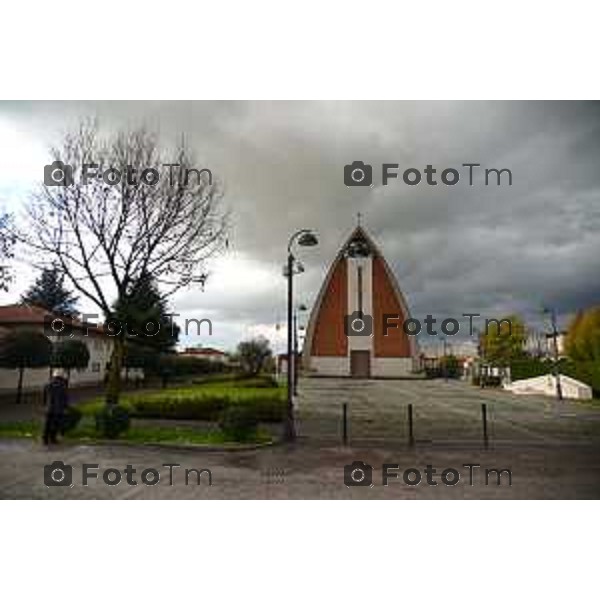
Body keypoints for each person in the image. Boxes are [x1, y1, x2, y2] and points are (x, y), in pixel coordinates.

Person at [43, 370, 69, 445]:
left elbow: (44, 397)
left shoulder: (47, 385)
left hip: (49, 408)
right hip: (58, 409)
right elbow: (65, 398)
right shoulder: (63, 386)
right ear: (61, 377)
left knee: (47, 424)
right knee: (55, 424)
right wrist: (65, 407)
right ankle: (53, 439)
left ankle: (44, 439)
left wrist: (45, 404)